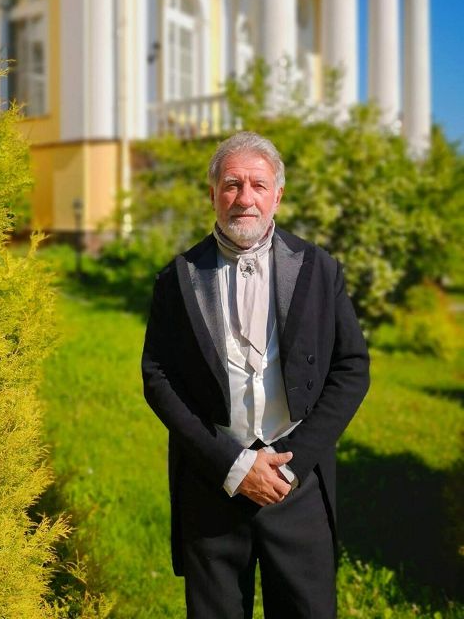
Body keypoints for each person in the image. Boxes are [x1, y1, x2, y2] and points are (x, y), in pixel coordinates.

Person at [142, 131, 370, 619]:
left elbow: (352, 368)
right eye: (232, 184)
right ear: (213, 194)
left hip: (298, 484)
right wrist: (232, 465)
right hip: (212, 483)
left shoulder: (320, 270)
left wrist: (291, 463)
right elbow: (157, 376)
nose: (245, 198)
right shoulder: (177, 278)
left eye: (258, 185)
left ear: (277, 196)